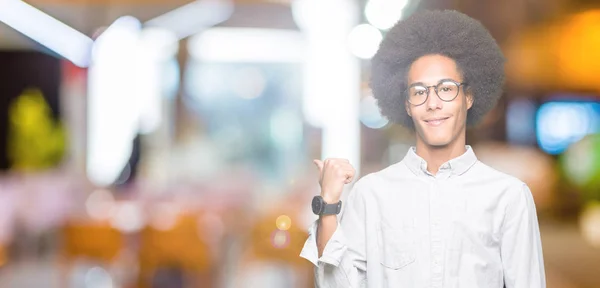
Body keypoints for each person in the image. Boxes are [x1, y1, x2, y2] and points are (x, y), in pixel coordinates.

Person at [300, 9, 546, 288]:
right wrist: (328, 204)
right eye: (419, 91)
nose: (433, 103)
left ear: (468, 97)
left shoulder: (509, 197)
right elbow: (336, 285)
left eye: (446, 89)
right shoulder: (371, 194)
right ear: (407, 104)